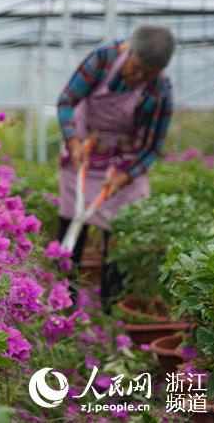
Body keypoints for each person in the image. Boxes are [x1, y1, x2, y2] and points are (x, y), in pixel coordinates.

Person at [54, 24, 175, 308]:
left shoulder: (160, 90)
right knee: (72, 224)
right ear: (128, 50)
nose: (138, 77)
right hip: (85, 148)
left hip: (123, 159)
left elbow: (154, 146)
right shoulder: (104, 59)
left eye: (149, 73)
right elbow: (67, 101)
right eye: (136, 67)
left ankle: (112, 310)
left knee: (120, 233)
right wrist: (73, 141)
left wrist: (125, 176)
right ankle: (64, 302)